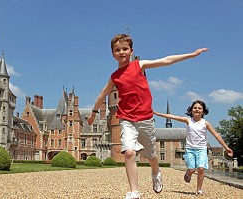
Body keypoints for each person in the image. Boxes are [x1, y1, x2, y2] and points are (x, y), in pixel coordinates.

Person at [86, 33, 208, 199]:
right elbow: (102, 95)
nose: (121, 52)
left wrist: (191, 54)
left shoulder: (139, 65)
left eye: (124, 49)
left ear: (131, 50)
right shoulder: (114, 77)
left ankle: (156, 172)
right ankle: (134, 191)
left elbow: (166, 60)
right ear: (112, 53)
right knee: (129, 152)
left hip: (145, 118)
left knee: (150, 155)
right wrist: (93, 113)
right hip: (126, 118)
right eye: (117, 50)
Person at [153, 100, 233, 196]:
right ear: (191, 110)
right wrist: (158, 114)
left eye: (199, 108)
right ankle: (188, 173)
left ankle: (198, 189)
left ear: (203, 112)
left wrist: (226, 147)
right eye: (195, 108)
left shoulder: (206, 123)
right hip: (190, 149)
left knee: (201, 169)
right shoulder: (188, 120)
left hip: (202, 149)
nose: (197, 109)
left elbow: (216, 135)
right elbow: (173, 117)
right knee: (192, 169)